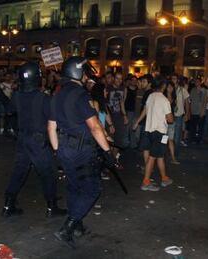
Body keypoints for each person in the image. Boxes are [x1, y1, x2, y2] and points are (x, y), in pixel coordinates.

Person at [48, 57, 116, 248]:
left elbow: (51, 127)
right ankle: (67, 228)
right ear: (77, 73)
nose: (86, 76)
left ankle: (77, 225)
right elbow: (95, 127)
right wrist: (108, 151)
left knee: (74, 187)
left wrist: (56, 151)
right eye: (84, 72)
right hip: (81, 151)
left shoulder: (57, 94)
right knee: (92, 189)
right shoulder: (80, 95)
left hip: (64, 150)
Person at [2, 62, 67, 218]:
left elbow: (9, 111)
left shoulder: (17, 95)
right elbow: (53, 119)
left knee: (19, 172)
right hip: (38, 141)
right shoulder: (43, 98)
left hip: (22, 139)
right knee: (48, 173)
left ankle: (7, 205)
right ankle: (52, 208)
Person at [133, 79, 174, 191]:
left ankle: (164, 178)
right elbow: (170, 120)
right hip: (159, 132)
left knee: (160, 156)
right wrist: (170, 116)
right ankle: (146, 182)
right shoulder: (165, 100)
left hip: (148, 130)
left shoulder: (150, 96)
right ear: (163, 86)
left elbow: (145, 110)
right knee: (152, 157)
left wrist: (137, 122)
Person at [171, 74, 190, 155]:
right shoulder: (169, 89)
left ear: (178, 80)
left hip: (178, 115)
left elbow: (187, 103)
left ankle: (176, 152)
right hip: (169, 115)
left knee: (177, 136)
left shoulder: (182, 90)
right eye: (172, 78)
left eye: (174, 78)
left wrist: (187, 114)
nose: (173, 80)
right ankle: (165, 150)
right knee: (167, 135)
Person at [163, 81, 179, 164]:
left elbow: (175, 109)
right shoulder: (163, 96)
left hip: (171, 121)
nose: (170, 88)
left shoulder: (174, 97)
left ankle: (173, 158)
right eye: (168, 87)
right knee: (164, 140)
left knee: (171, 139)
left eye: (172, 87)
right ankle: (162, 156)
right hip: (164, 122)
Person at [189, 78, 207, 144]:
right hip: (194, 111)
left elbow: (205, 101)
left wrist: (203, 111)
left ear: (200, 82)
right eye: (195, 82)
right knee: (193, 126)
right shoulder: (192, 90)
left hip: (201, 111)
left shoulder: (204, 90)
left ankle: (199, 139)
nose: (196, 83)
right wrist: (190, 110)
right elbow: (190, 100)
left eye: (198, 82)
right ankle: (193, 139)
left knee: (200, 127)